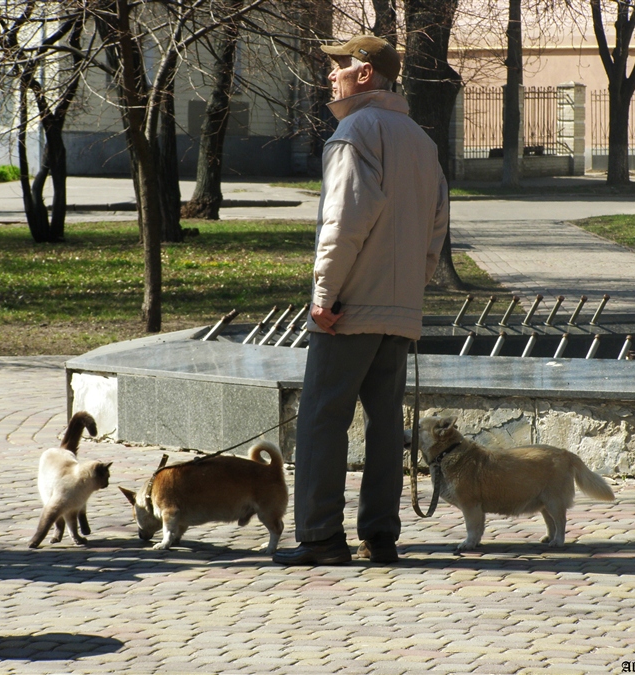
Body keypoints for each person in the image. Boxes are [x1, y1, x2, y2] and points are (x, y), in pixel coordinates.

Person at [272, 35, 449, 566]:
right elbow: (436, 230)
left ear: (365, 73)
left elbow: (343, 222)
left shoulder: (355, 132)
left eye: (339, 67)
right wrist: (410, 292)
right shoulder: (421, 139)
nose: (331, 76)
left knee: (322, 419)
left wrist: (324, 295)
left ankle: (322, 538)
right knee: (385, 422)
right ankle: (381, 535)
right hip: (398, 309)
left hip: (349, 307)